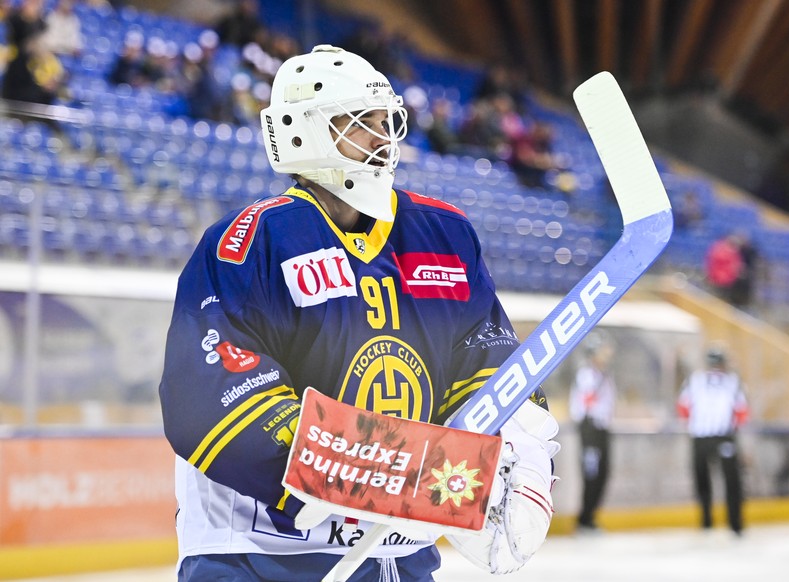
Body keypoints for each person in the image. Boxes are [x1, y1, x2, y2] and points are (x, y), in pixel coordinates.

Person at [159, 45, 559, 581]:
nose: (383, 137)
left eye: (384, 120)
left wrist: (520, 437)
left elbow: (483, 359)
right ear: (300, 133)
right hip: (261, 558)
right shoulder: (248, 243)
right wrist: (408, 479)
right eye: (358, 122)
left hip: (400, 557)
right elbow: (216, 404)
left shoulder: (443, 234)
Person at [677, 345, 749, 535]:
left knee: (728, 481)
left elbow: (683, 408)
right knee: (709, 481)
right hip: (714, 436)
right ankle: (718, 523)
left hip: (713, 436)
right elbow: (742, 411)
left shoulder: (701, 380)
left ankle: (725, 523)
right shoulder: (697, 381)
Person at [568, 332, 616, 533]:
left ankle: (590, 516)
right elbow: (587, 401)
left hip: (601, 428)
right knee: (592, 474)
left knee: (602, 473)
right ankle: (584, 519)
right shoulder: (587, 374)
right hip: (590, 428)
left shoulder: (601, 374)